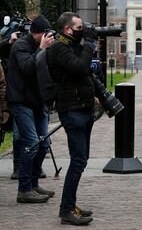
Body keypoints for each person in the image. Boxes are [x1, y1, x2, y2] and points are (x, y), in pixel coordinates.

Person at [47, 12, 95, 225]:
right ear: (67, 29)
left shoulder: (72, 46)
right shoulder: (58, 48)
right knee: (77, 161)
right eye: (79, 27)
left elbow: (86, 73)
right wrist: (89, 44)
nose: (82, 30)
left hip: (83, 109)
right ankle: (66, 210)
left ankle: (70, 204)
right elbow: (80, 68)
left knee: (81, 160)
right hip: (72, 110)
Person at [7, 14, 55, 204]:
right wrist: (42, 49)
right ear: (39, 34)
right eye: (46, 34)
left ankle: (34, 184)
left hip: (38, 102)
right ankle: (24, 189)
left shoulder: (41, 47)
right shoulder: (20, 46)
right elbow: (28, 68)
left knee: (43, 144)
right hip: (21, 102)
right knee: (32, 143)